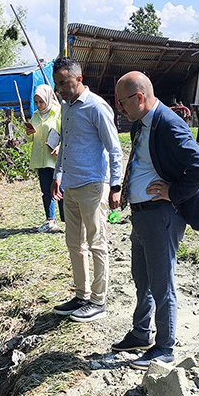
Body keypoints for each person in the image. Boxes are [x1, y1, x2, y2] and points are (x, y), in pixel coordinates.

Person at [110, 71, 199, 370]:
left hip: (161, 216)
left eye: (122, 102)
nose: (120, 108)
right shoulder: (143, 124)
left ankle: (165, 347)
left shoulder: (167, 123)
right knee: (142, 278)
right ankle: (141, 332)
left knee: (161, 283)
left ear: (139, 98)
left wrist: (174, 192)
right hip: (142, 215)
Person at [50, 57, 123, 323]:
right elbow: (65, 144)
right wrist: (58, 175)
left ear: (79, 79)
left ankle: (98, 301)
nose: (60, 89)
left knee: (97, 244)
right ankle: (81, 295)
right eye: (57, 84)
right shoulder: (66, 107)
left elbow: (115, 149)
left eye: (64, 83)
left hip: (93, 186)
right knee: (74, 244)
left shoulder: (96, 107)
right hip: (70, 185)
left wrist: (116, 186)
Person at [25, 84, 63, 233]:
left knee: (62, 190)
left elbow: (65, 133)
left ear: (48, 98)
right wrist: (29, 133)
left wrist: (60, 147)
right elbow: (30, 139)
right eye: (36, 102)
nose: (39, 105)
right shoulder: (35, 115)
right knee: (46, 190)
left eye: (41, 101)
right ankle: (50, 220)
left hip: (56, 158)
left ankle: (68, 220)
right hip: (41, 159)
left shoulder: (58, 112)